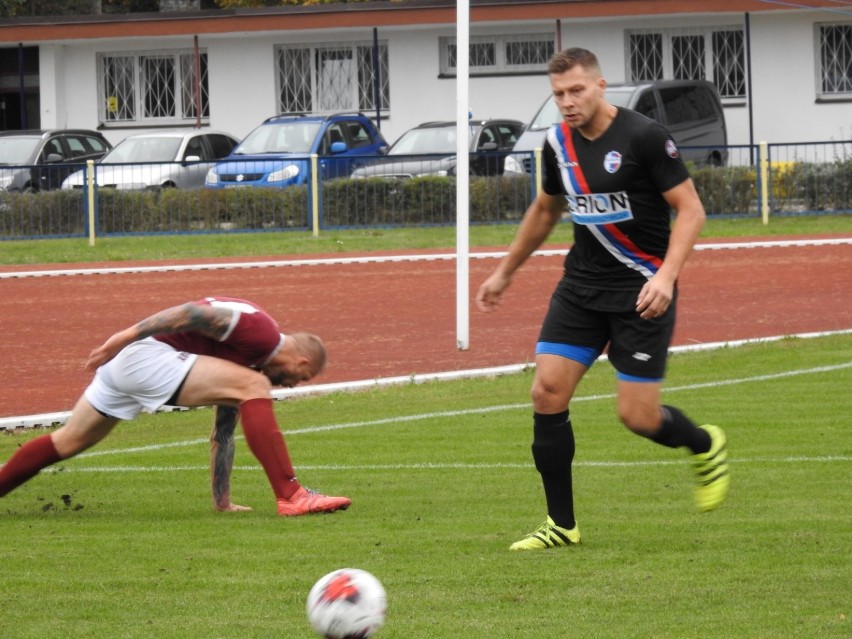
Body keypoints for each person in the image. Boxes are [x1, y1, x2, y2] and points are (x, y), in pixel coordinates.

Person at [476, 48, 729, 551]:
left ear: (600, 85)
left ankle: (704, 444)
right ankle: (561, 525)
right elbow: (545, 211)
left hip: (642, 290)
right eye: (558, 95)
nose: (567, 103)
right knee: (546, 392)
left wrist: (666, 277)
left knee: (637, 417)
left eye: (576, 91)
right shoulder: (556, 143)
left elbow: (691, 211)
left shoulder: (644, 137)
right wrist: (504, 273)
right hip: (581, 289)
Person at [0, 296, 351, 517]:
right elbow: (191, 312)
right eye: (300, 379)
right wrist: (123, 337)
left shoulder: (249, 365)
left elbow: (223, 433)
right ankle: (291, 495)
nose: (292, 386)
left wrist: (222, 500)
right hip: (144, 355)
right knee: (254, 386)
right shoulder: (260, 332)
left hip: (130, 365)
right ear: (302, 361)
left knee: (67, 442)